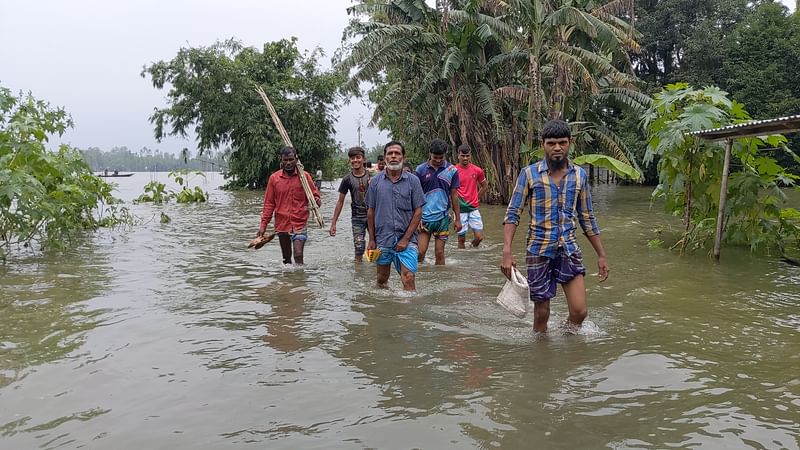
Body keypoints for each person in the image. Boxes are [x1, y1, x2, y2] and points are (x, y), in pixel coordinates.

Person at [501, 120, 609, 333]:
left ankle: (565, 340)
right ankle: (542, 357)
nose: (557, 148)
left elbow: (587, 218)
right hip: (538, 250)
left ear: (570, 143)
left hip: (569, 248)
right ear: (543, 144)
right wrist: (507, 250)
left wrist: (601, 255)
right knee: (542, 314)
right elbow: (513, 213)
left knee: (580, 312)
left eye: (562, 142)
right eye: (551, 143)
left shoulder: (580, 175)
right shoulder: (529, 174)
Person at [366, 141, 425, 291]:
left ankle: (408, 313)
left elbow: (418, 212)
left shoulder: (413, 181)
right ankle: (385, 311)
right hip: (383, 239)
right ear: (385, 158)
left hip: (408, 240)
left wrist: (405, 239)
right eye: (390, 154)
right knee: (381, 278)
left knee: (409, 278)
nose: (393, 156)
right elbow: (371, 212)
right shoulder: (375, 183)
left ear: (403, 157)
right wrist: (372, 239)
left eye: (397, 153)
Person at [257, 146, 321, 265]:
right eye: (285, 160)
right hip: (282, 223)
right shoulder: (274, 179)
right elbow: (269, 204)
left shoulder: (304, 177)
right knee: (286, 259)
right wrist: (263, 225)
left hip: (300, 221)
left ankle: (299, 280)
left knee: (298, 254)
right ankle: (288, 281)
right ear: (280, 160)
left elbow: (314, 194)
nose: (288, 163)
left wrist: (316, 200)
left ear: (296, 159)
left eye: (291, 160)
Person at [415, 139, 461, 265]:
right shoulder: (420, 170)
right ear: (430, 153)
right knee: (420, 252)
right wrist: (416, 218)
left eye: (441, 157)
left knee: (440, 254)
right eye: (435, 157)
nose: (438, 160)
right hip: (424, 218)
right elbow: (415, 195)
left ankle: (441, 280)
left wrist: (458, 219)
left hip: (442, 218)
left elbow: (454, 195)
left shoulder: (452, 170)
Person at [329, 147, 371, 262]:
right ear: (349, 161)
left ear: (363, 159)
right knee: (359, 247)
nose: (355, 160)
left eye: (358, 157)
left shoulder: (372, 177)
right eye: (352, 158)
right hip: (357, 217)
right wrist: (333, 223)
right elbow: (340, 201)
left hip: (374, 216)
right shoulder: (347, 179)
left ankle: (375, 272)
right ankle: (358, 273)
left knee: (377, 244)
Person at [454, 144, 488, 248]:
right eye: (462, 156)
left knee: (479, 237)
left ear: (470, 156)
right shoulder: (453, 171)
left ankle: (470, 249)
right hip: (460, 209)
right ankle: (462, 260)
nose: (465, 158)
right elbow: (451, 191)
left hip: (473, 208)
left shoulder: (477, 170)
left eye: (467, 156)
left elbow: (485, 186)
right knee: (461, 239)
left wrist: (476, 198)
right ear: (458, 156)